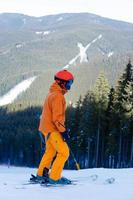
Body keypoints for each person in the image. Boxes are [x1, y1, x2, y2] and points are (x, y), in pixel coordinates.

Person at [35, 69, 74, 184]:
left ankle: (41, 175)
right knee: (64, 152)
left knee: (50, 152)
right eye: (69, 83)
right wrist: (64, 132)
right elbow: (57, 118)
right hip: (53, 129)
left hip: (46, 129)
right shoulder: (58, 96)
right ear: (62, 82)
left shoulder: (52, 93)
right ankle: (55, 178)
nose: (69, 86)